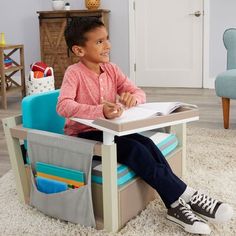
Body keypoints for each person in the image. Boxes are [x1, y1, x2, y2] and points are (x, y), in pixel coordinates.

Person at [56, 17, 233, 235]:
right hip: (84, 136)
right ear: (79, 50)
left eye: (107, 39)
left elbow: (138, 92)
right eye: (99, 42)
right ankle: (187, 195)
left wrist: (133, 99)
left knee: (146, 143)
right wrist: (99, 111)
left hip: (111, 131)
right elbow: (63, 106)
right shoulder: (74, 73)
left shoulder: (112, 70)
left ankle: (175, 206)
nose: (108, 46)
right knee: (135, 150)